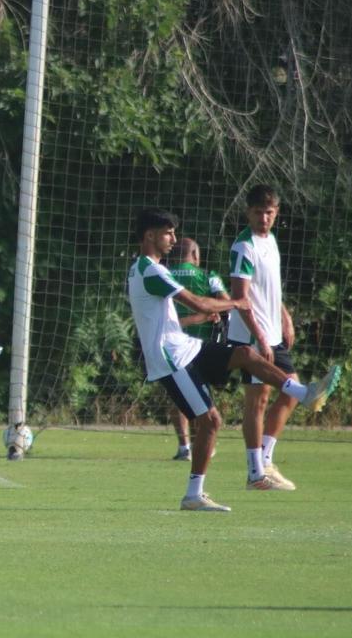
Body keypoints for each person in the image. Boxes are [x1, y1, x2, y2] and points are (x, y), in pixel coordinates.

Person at [127, 208, 340, 512]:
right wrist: (237, 302)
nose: (174, 239)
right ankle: (193, 495)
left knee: (244, 354)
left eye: (174, 232)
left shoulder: (144, 268)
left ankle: (303, 394)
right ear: (149, 236)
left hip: (186, 347)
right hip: (171, 359)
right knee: (211, 421)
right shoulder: (151, 270)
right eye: (167, 233)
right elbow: (197, 302)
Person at [228, 185, 302, 491]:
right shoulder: (243, 247)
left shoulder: (270, 240)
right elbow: (240, 297)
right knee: (257, 400)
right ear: (248, 212)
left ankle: (266, 459)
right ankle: (255, 473)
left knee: (292, 392)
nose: (264, 218)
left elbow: (269, 289)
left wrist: (284, 316)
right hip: (252, 336)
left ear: (277, 213)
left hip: (273, 333)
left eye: (269, 212)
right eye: (258, 212)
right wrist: (259, 336)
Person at [166, 237, 228, 461]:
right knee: (201, 398)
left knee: (178, 399)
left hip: (170, 345)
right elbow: (225, 300)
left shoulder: (165, 275)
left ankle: (185, 447)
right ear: (195, 255)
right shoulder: (209, 276)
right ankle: (202, 444)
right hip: (201, 346)